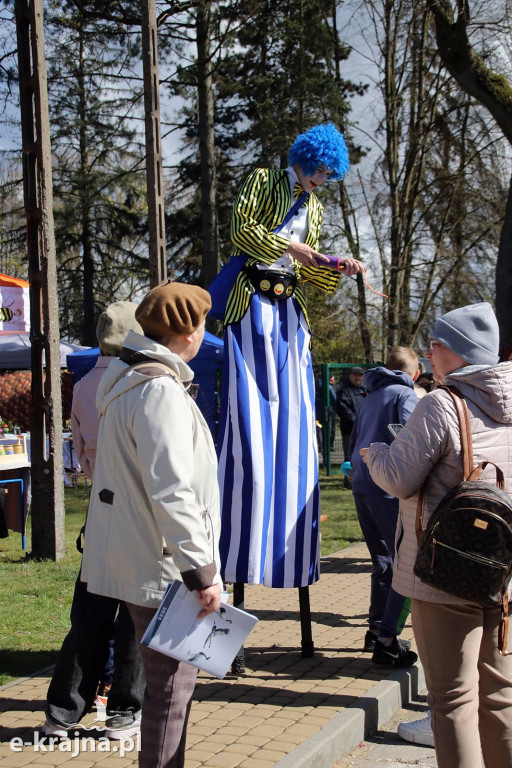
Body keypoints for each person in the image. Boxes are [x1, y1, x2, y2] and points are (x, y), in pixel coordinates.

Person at [361, 302, 512, 766]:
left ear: (462, 353)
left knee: (452, 702)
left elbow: (399, 480)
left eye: (438, 342)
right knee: (502, 698)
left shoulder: (440, 404)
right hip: (504, 573)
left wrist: (376, 453)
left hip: (443, 573)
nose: (429, 350)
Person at [81, 280, 222, 768]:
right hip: (164, 563)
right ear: (187, 333)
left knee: (166, 689)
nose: (205, 333)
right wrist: (201, 571)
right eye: (203, 325)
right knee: (171, 692)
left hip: (141, 554)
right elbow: (173, 489)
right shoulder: (158, 390)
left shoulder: (131, 379)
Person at [217, 122, 364, 589]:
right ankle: (239, 548)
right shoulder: (264, 180)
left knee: (294, 419)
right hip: (251, 303)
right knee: (250, 419)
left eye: (328, 175)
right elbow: (242, 231)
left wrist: (336, 264)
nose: (321, 180)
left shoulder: (316, 208)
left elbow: (310, 266)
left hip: (288, 310)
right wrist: (291, 245)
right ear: (303, 159)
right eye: (319, 170)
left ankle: (287, 550)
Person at [43, 302, 146, 741]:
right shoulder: (141, 384)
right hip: (139, 509)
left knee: (90, 612)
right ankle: (125, 710)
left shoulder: (85, 384)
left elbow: (82, 451)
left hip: (101, 504)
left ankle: (63, 711)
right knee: (137, 613)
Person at [349, 347, 419, 667]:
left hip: (362, 483)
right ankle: (388, 636)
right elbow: (413, 441)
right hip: (388, 486)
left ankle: (376, 628)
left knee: (382, 560)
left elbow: (354, 441)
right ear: (414, 373)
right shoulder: (404, 395)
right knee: (404, 561)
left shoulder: (369, 396)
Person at [337, 366, 366, 460]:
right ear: (350, 376)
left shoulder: (366, 391)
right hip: (350, 431)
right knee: (351, 458)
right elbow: (343, 410)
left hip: (365, 430)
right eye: (355, 375)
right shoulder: (344, 391)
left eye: (360, 375)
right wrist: (357, 422)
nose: (358, 377)